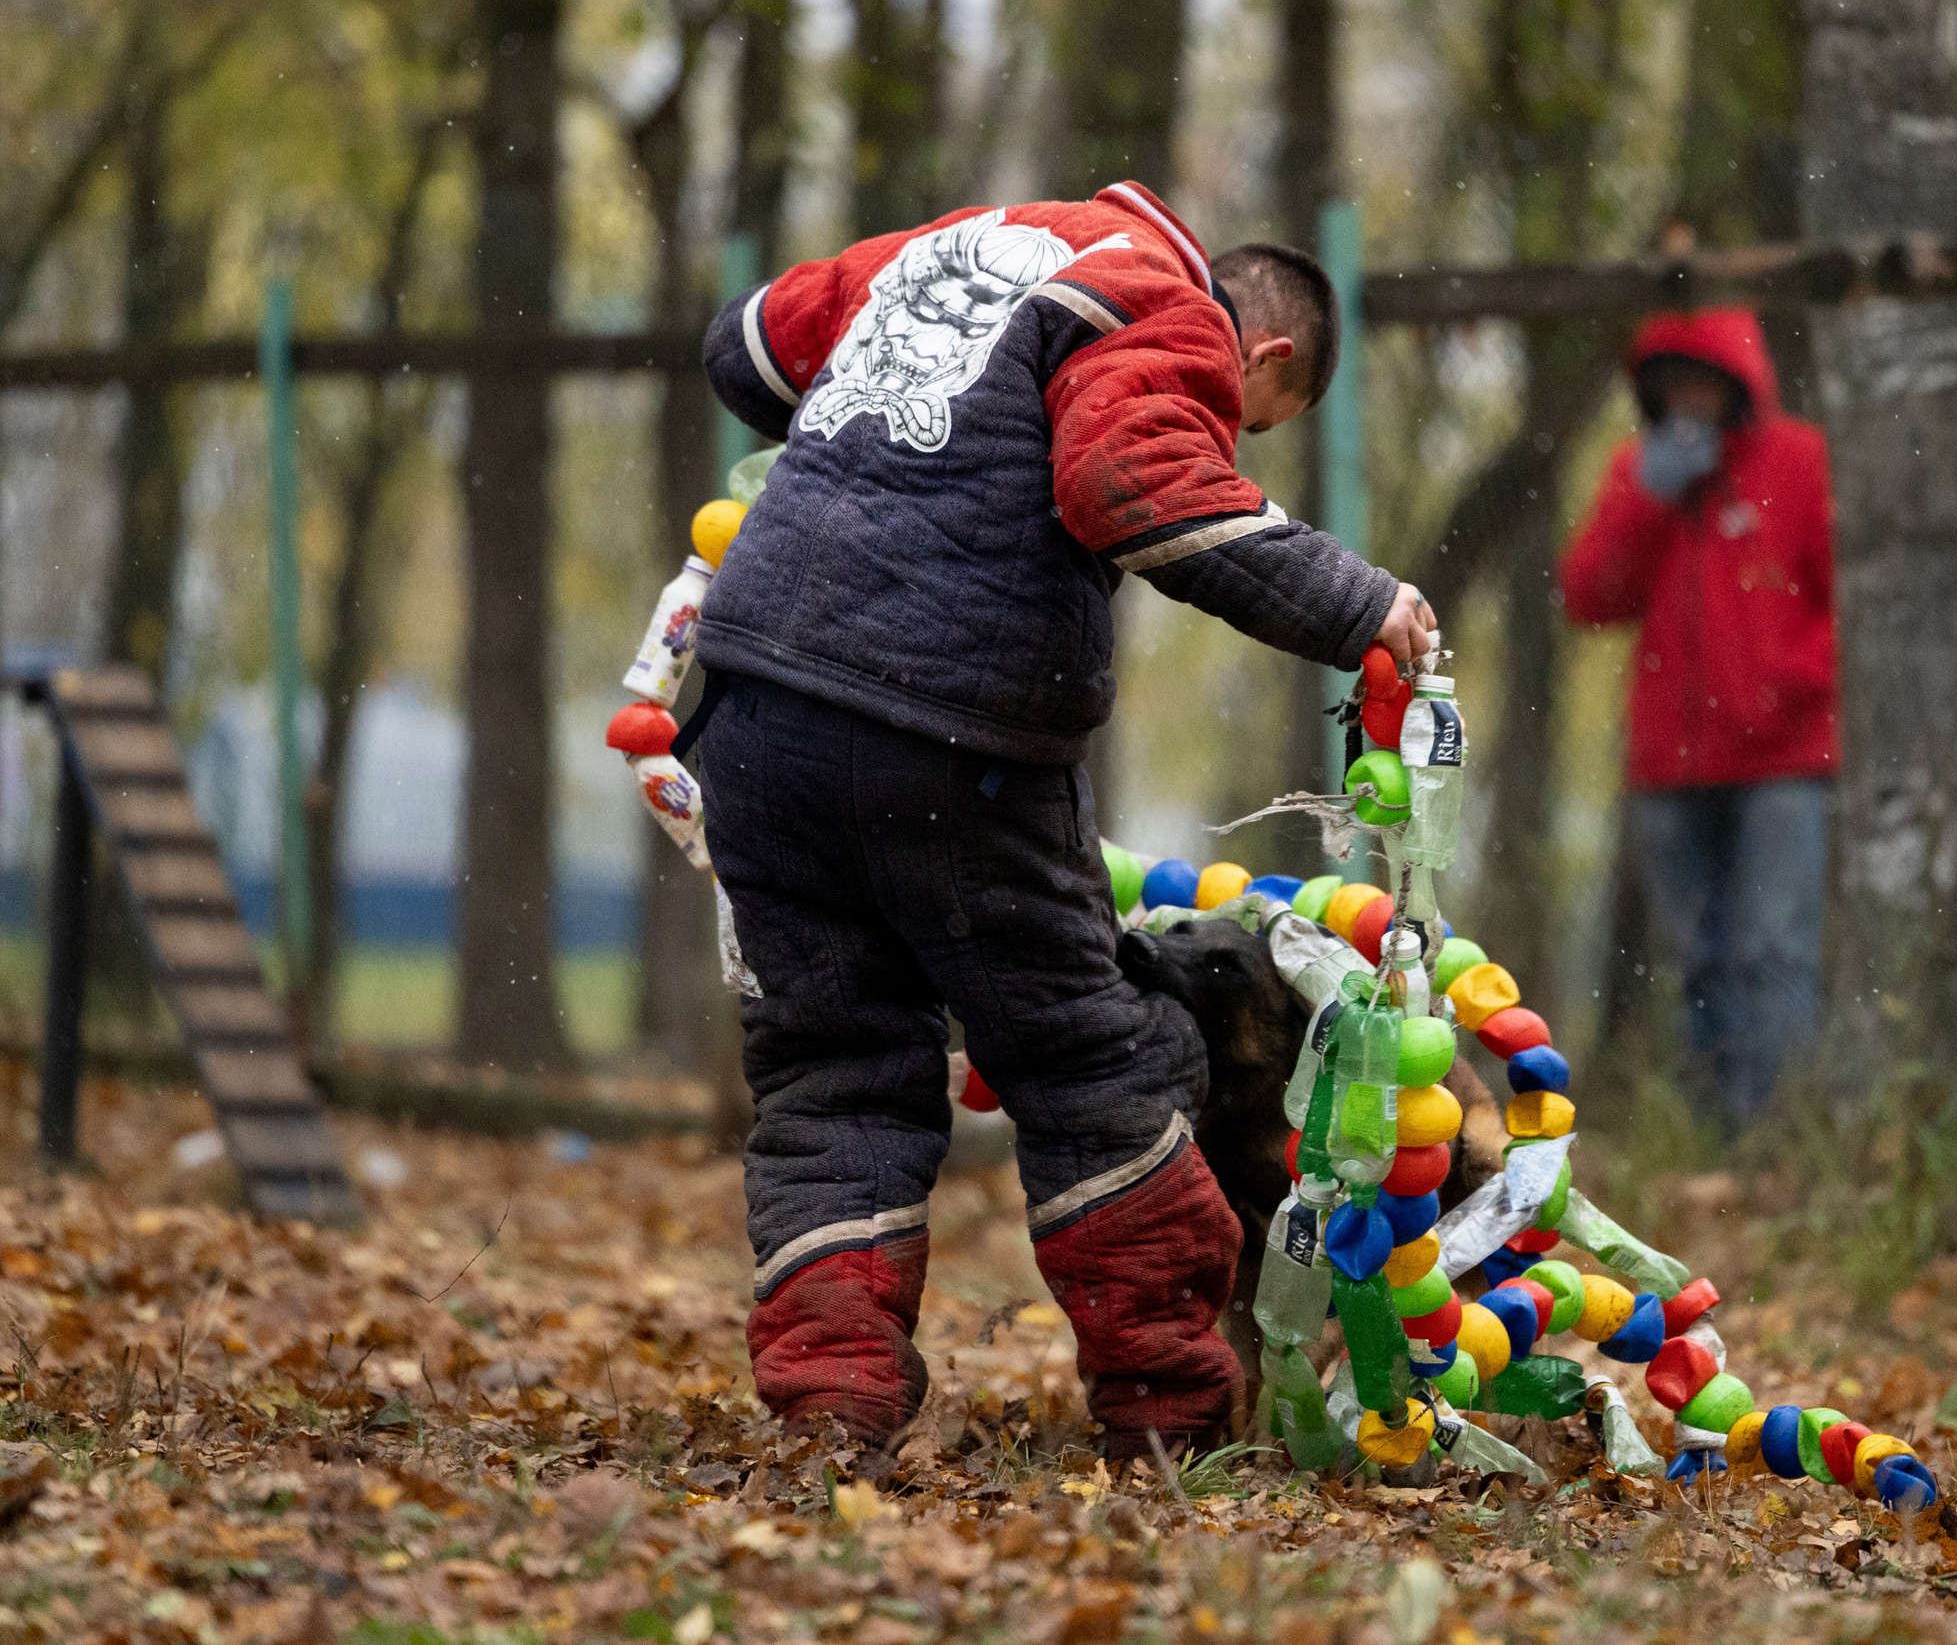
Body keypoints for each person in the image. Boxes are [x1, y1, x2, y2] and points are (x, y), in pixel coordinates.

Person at [688, 182, 1436, 1456]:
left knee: (831, 1069)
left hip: (753, 700)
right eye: (1244, 424)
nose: (1229, 445)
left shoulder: (952, 241)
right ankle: (1170, 1412)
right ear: (1267, 356)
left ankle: (829, 1408)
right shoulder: (1165, 302)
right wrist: (1359, 605)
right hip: (950, 727)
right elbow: (1129, 482)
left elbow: (746, 345)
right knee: (1084, 1058)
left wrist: (888, 437)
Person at [1557, 308, 1837, 1129]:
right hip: (1671, 770)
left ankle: (1774, 1137)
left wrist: (1784, 684)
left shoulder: (1799, 462)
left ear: (1738, 386)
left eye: (1703, 382)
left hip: (1783, 763)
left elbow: (1851, 603)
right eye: (1672, 384)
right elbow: (1589, 595)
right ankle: (1712, 1137)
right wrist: (1647, 499)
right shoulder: (1639, 474)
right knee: (1697, 961)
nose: (1688, 399)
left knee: (1775, 952)